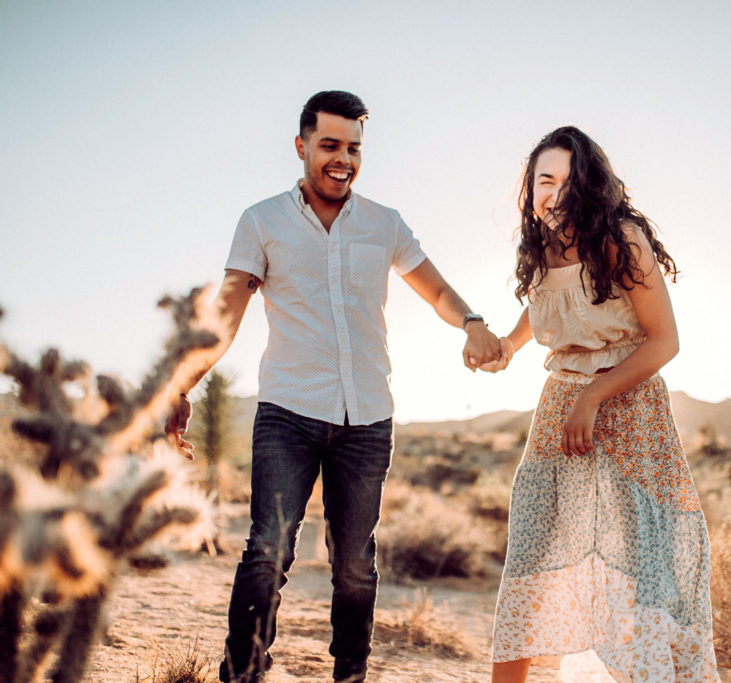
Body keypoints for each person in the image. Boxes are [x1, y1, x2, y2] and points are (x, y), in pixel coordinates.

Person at [163, 90, 502, 683]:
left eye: (353, 148)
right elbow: (225, 315)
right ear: (301, 147)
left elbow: (439, 292)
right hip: (287, 414)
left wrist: (472, 322)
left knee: (354, 565)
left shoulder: (384, 224)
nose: (342, 159)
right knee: (268, 548)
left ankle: (350, 673)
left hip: (367, 419)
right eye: (329, 146)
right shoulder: (261, 221)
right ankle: (243, 671)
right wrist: (182, 385)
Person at [483, 126, 720, 682]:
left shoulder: (621, 238)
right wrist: (509, 347)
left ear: (592, 186)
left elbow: (665, 341)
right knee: (532, 560)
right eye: (545, 180)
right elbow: (551, 300)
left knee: (639, 571)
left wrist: (592, 396)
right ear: (530, 188)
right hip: (559, 415)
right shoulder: (540, 244)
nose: (556, 194)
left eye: (570, 181)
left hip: (629, 412)